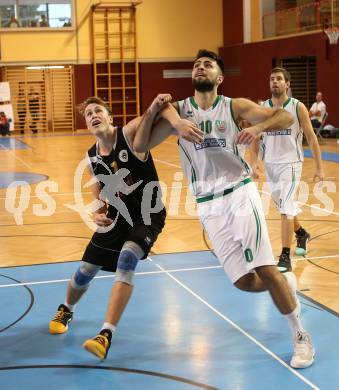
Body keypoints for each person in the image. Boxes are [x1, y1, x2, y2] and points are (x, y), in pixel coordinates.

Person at [133, 49, 315, 369]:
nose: (201, 67)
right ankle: (285, 287)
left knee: (265, 268)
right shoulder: (178, 112)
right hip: (208, 204)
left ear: (219, 77)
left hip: (240, 193)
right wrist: (156, 111)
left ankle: (300, 336)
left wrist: (258, 129)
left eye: (208, 64)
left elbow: (286, 117)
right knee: (244, 282)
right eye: (197, 64)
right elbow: (140, 146)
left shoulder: (235, 106)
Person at [49, 95, 197, 360]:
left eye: (98, 111)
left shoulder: (128, 133)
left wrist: (174, 119)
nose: (93, 115)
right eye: (88, 114)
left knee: (127, 259)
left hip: (148, 215)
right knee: (85, 271)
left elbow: (160, 109)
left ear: (110, 117)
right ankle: (67, 308)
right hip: (118, 217)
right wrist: (97, 209)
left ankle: (105, 334)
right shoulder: (91, 154)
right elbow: (96, 182)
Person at [251, 68, 324, 271]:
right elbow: (256, 137)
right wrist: (254, 163)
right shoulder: (262, 108)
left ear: (287, 84)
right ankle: (301, 233)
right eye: (272, 78)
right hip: (271, 163)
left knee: (285, 208)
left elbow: (310, 136)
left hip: (292, 163)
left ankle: (285, 256)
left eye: (279, 79)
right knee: (284, 205)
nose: (275, 82)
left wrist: (319, 167)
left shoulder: (297, 107)